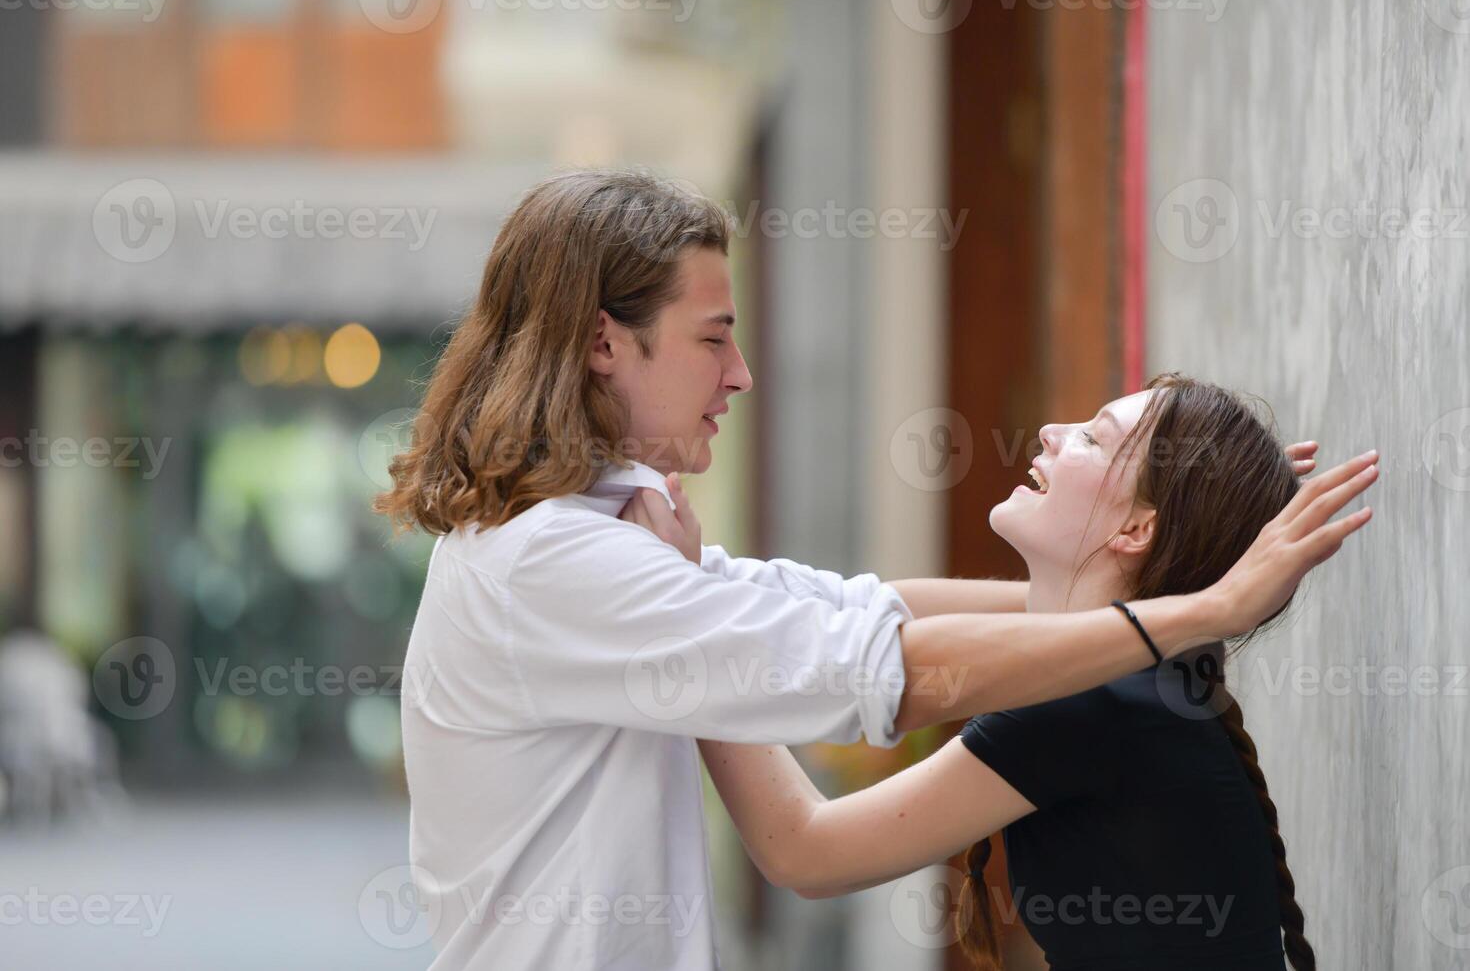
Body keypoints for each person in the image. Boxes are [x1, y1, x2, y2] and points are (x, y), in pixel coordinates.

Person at [376, 169, 1377, 970]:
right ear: (605, 342)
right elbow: (870, 662)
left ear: (1135, 529)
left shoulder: (588, 542)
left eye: (1095, 436)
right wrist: (1196, 598)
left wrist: (1193, 593)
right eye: (714, 337)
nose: (741, 374)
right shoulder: (564, 558)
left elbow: (864, 622)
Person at [634, 376, 1335, 969]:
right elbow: (886, 609)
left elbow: (806, 852)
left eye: (1092, 438)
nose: (1053, 431)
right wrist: (698, 594)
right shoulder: (1131, 676)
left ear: (1136, 531)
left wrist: (688, 626)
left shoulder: (1093, 703)